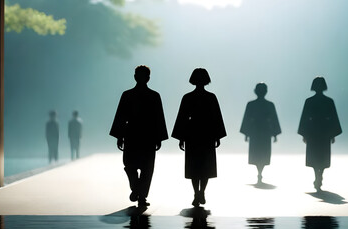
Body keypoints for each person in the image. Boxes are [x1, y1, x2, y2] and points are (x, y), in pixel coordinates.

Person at [110, 65, 168, 208]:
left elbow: (121, 118)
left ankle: (138, 191)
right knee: (146, 168)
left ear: (135, 77)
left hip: (133, 134)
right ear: (148, 78)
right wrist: (159, 137)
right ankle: (140, 193)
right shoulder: (154, 96)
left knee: (131, 165)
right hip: (147, 135)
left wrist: (119, 136)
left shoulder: (128, 95)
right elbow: (158, 119)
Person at [172, 68, 227, 207]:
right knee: (205, 167)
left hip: (193, 134)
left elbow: (182, 119)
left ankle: (197, 192)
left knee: (194, 167)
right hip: (207, 134)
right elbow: (216, 119)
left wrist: (181, 137)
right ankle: (201, 191)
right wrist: (217, 136)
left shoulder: (188, 97)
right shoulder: (211, 97)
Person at [298, 77, 342, 192]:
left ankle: (317, 176)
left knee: (315, 156)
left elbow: (304, 119)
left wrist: (304, 133)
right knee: (322, 156)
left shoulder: (309, 101)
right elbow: (333, 119)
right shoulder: (328, 101)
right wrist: (332, 133)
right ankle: (319, 175)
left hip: (313, 132)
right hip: (324, 132)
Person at [240, 83, 281, 184]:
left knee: (258, 152)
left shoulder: (251, 104)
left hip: (256, 132)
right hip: (264, 132)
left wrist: (246, 133)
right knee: (262, 152)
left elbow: (247, 120)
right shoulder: (269, 105)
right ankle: (260, 171)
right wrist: (275, 134)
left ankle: (259, 172)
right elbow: (274, 120)